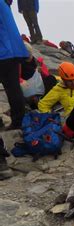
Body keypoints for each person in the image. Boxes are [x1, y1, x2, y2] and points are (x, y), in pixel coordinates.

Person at [0, 0, 29, 130]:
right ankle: (19, 121)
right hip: (13, 50)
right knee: (13, 87)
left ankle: (17, 121)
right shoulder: (4, 4)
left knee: (12, 88)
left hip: (4, 51)